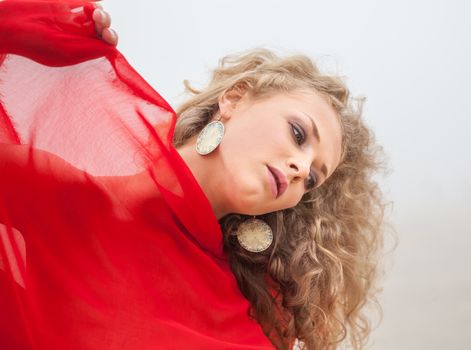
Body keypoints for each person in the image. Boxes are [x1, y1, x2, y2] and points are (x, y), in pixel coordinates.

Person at [0, 2, 384, 349]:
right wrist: (16, 29)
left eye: (313, 179)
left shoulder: (260, 315)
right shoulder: (74, 205)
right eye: (298, 134)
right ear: (235, 99)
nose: (301, 170)